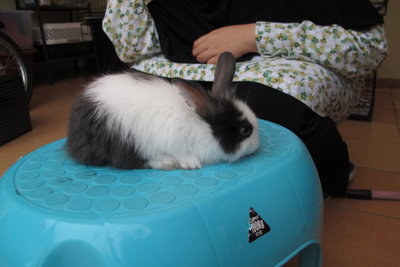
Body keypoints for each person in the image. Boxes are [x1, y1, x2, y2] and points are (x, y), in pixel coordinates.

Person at [102, 0, 388, 197]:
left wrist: (255, 36)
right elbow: (131, 48)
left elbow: (370, 49)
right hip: (191, 64)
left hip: (283, 62)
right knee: (134, 100)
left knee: (263, 108)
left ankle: (324, 171)